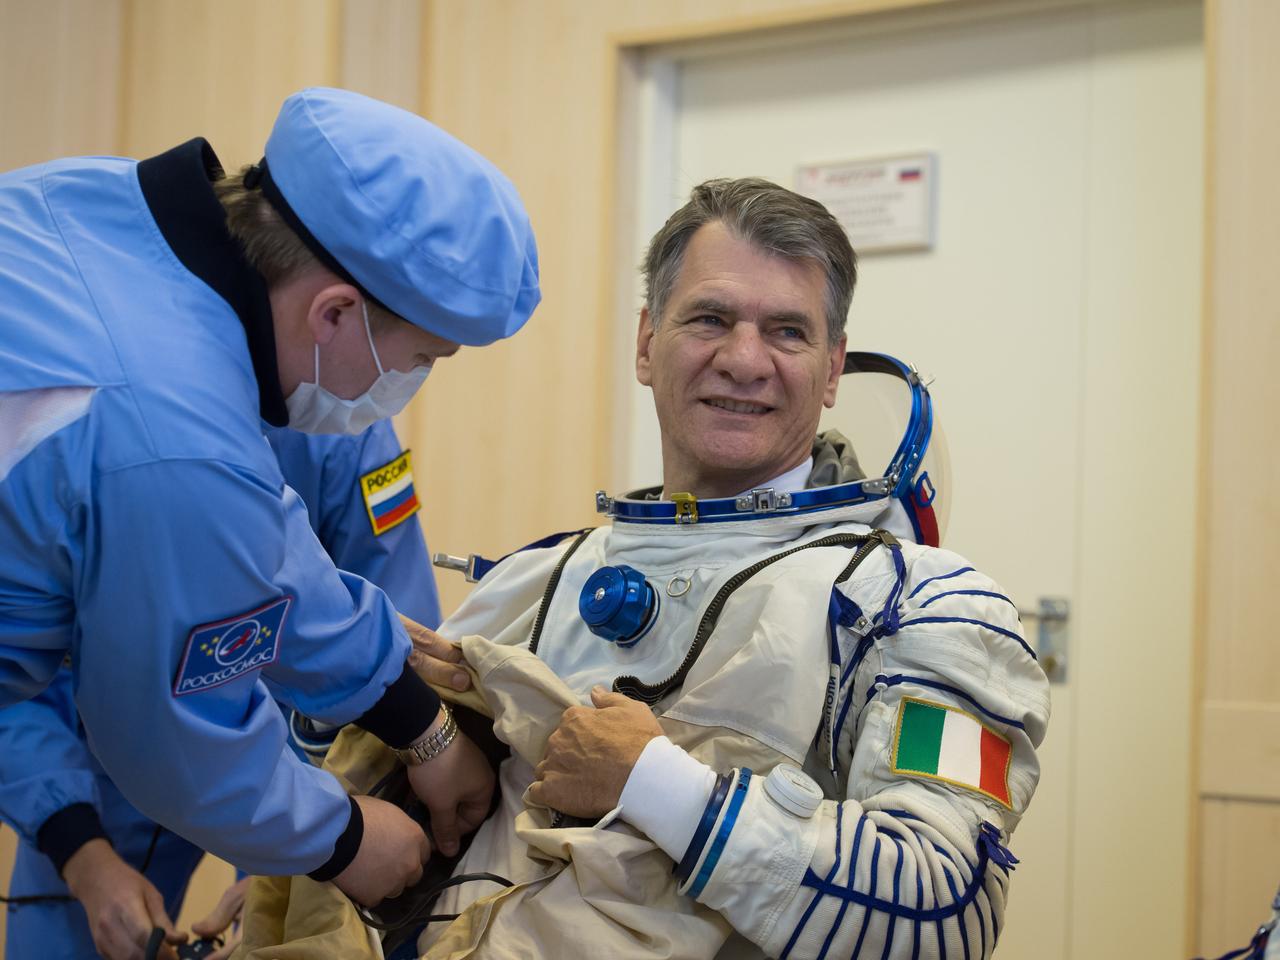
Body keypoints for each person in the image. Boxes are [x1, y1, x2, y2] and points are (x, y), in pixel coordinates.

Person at [237, 177, 1050, 960]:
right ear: (645, 344)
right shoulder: (530, 581)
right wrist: (346, 775)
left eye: (787, 332)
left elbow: (948, 908)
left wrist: (661, 788)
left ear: (833, 369)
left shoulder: (923, 606)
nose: (744, 358)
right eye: (709, 318)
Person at [0, 85, 538, 958]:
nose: (408, 385)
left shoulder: (87, 208)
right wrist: (343, 842)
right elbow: (172, 740)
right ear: (334, 312)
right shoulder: (172, 438)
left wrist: (416, 721)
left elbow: (260, 553)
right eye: (422, 360)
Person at [0, 420, 440, 960]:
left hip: (296, 761)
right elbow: (15, 687)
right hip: (95, 752)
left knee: (295, 927)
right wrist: (80, 853)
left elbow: (392, 637)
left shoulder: (346, 420)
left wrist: (306, 859)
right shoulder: (77, 424)